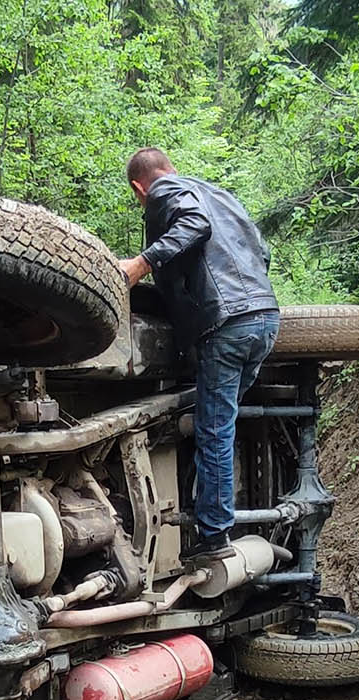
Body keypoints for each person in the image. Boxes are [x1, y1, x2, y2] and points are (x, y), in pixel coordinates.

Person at [117, 147, 279, 563]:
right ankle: (209, 512)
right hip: (264, 319)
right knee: (219, 427)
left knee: (213, 431)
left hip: (225, 325)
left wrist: (141, 263)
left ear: (139, 187)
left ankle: (214, 537)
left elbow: (194, 225)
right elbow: (261, 254)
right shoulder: (222, 195)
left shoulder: (164, 191)